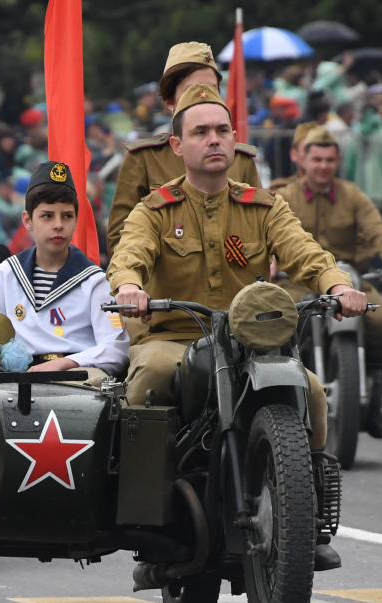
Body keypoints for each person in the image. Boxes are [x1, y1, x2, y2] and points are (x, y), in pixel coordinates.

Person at [108, 85, 364, 572]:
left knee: (309, 388)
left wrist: (337, 285)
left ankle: (306, 524)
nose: (214, 140)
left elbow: (305, 253)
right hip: (173, 338)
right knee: (148, 381)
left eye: (222, 130)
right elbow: (129, 255)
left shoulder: (263, 208)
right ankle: (147, 523)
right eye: (200, 132)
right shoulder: (153, 209)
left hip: (251, 343)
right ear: (178, 146)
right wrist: (128, 287)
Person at [277, 127, 382, 438]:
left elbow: (379, 230)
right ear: (303, 161)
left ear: (338, 162)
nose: (323, 166)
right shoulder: (284, 198)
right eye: (317, 159)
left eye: (329, 160)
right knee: (279, 322)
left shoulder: (352, 195)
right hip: (298, 281)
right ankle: (282, 402)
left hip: (350, 281)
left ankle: (373, 400)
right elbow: (266, 233)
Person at [0, 161, 129, 387]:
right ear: (28, 221)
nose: (58, 225)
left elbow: (116, 348)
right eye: (47, 216)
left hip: (74, 380)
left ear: (77, 219)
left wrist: (66, 363)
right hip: (15, 378)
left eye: (67, 216)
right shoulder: (7, 273)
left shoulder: (94, 280)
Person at [108, 43, 262, 259]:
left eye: (211, 89)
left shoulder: (239, 159)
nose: (203, 97)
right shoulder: (145, 158)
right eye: (193, 90)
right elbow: (120, 240)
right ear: (169, 100)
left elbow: (261, 230)